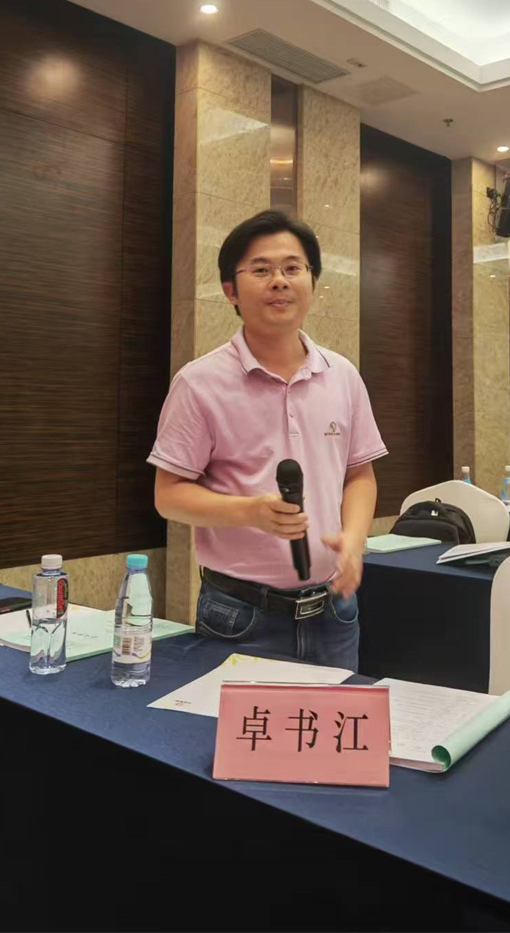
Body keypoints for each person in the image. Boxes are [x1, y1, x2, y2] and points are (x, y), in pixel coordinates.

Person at [148, 209, 386, 672]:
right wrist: (251, 512)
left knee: (334, 722)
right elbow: (169, 496)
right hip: (240, 614)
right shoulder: (199, 383)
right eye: (261, 270)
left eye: (293, 268)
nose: (279, 281)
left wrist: (353, 541)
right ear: (230, 291)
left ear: (312, 281)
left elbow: (360, 475)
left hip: (335, 611)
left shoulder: (342, 375)